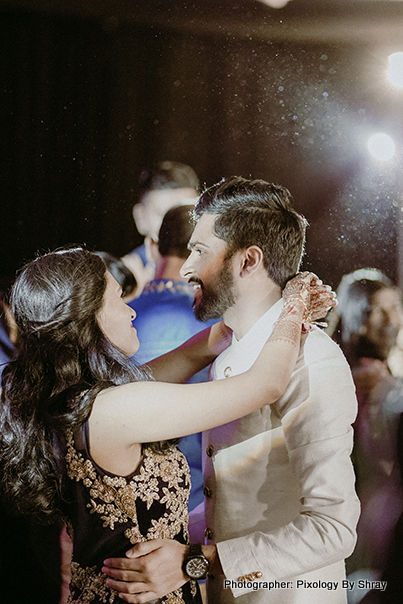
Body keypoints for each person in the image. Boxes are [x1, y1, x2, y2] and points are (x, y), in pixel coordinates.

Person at [0, 246, 335, 604]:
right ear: (89, 313)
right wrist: (293, 305)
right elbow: (265, 385)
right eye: (118, 297)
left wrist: (247, 317)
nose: (131, 310)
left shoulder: (76, 400)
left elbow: (191, 353)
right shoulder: (116, 409)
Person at [104, 176, 360, 604]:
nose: (185, 268)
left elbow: (332, 529)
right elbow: (233, 500)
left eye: (199, 252)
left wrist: (190, 560)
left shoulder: (312, 359)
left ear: (248, 261)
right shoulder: (229, 347)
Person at [129, 204, 218, 512]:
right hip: (193, 502)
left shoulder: (117, 321)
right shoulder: (216, 328)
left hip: (119, 498)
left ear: (154, 247)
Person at [329, 268, 403, 600]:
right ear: (359, 318)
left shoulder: (380, 374)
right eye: (381, 309)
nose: (393, 318)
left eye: (396, 306)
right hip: (366, 509)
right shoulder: (364, 380)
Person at [121, 161, 199, 295]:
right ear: (140, 218)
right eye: (164, 215)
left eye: (185, 212)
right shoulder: (120, 279)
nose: (176, 224)